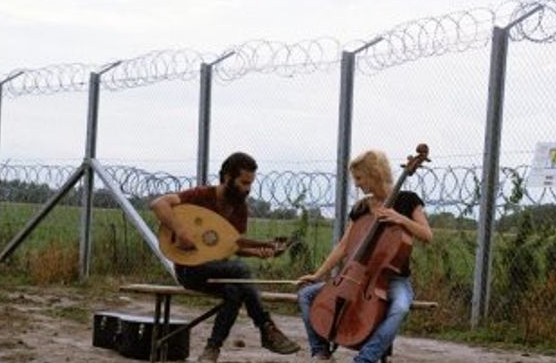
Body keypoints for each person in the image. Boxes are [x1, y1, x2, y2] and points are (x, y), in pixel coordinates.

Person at [150, 152, 301, 363]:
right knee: (239, 271)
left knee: (235, 291)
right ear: (227, 177)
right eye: (243, 182)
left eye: (251, 183)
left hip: (219, 270)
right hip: (188, 268)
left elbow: (231, 247)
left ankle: (212, 350)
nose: (248, 189)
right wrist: (181, 231)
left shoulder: (240, 208)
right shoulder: (202, 195)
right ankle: (266, 327)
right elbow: (158, 204)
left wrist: (258, 252)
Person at [296, 150, 433, 363]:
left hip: (394, 279)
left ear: (374, 173)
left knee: (400, 307)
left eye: (359, 178)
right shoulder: (361, 208)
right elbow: (343, 247)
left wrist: (399, 218)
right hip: (355, 277)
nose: (357, 184)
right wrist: (317, 275)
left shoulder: (408, 201)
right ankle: (321, 353)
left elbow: (427, 235)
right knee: (306, 295)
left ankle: (365, 359)